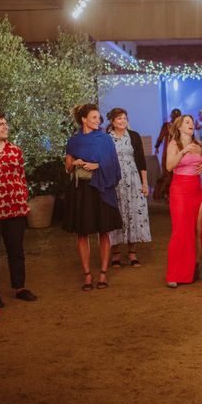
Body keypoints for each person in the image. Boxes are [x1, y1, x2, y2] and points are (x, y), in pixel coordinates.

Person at [63, 104, 123, 291]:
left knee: (104, 231)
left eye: (99, 118)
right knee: (82, 233)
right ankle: (87, 274)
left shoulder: (105, 139)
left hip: (102, 189)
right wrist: (75, 164)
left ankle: (103, 273)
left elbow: (113, 164)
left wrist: (97, 166)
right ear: (84, 119)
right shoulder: (73, 141)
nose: (98, 121)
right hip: (82, 191)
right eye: (94, 117)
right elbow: (67, 167)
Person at [0, 112, 38, 303]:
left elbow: (21, 176)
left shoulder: (15, 150)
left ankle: (20, 287)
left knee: (16, 250)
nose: (5, 127)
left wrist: (23, 197)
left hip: (15, 210)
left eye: (5, 123)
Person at [165, 115, 202, 288]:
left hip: (196, 189)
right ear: (180, 127)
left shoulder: (198, 145)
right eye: (187, 122)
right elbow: (169, 166)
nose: (191, 124)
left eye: (192, 122)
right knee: (180, 231)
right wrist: (183, 151)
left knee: (198, 229)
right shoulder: (174, 145)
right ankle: (174, 273)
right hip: (180, 190)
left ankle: (194, 266)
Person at [105, 108, 151, 269]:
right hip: (114, 181)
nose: (123, 121)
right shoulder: (106, 138)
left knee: (133, 213)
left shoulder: (134, 136)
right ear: (112, 121)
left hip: (133, 179)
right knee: (116, 214)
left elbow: (141, 161)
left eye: (124, 118)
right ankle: (115, 254)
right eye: (119, 118)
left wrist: (144, 183)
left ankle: (132, 253)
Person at [153, 108, 181, 199]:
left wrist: (157, 147)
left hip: (174, 152)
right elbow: (160, 137)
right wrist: (157, 147)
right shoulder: (168, 126)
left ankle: (167, 193)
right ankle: (166, 193)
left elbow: (160, 138)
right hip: (171, 153)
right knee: (170, 174)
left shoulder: (176, 126)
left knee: (169, 174)